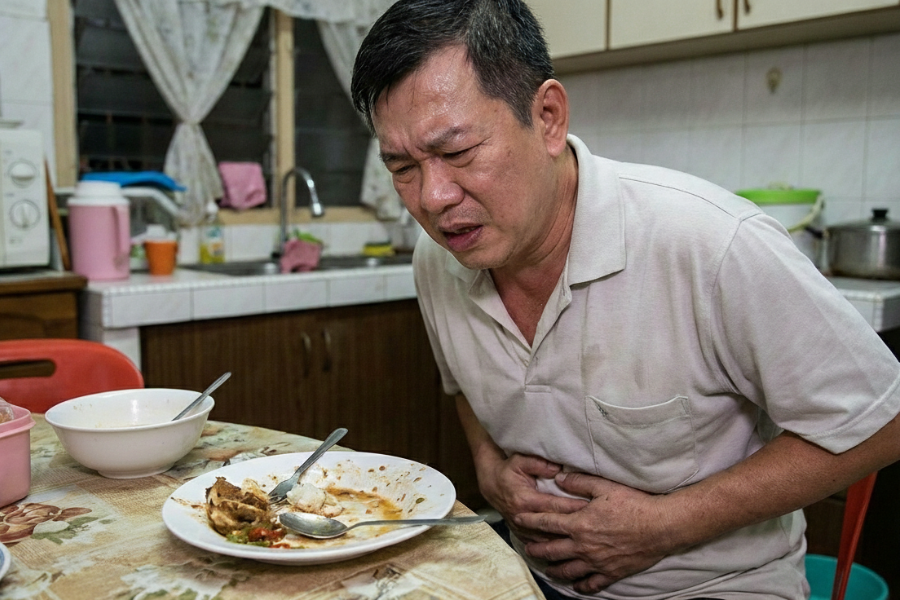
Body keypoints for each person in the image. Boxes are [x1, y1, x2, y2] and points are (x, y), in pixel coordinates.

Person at [350, 1, 900, 598]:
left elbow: (882, 422)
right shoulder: (438, 259)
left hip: (712, 587)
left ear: (548, 118)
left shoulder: (709, 243)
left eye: (458, 153)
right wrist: (488, 467)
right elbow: (461, 385)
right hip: (528, 575)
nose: (432, 198)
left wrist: (665, 525)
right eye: (402, 167)